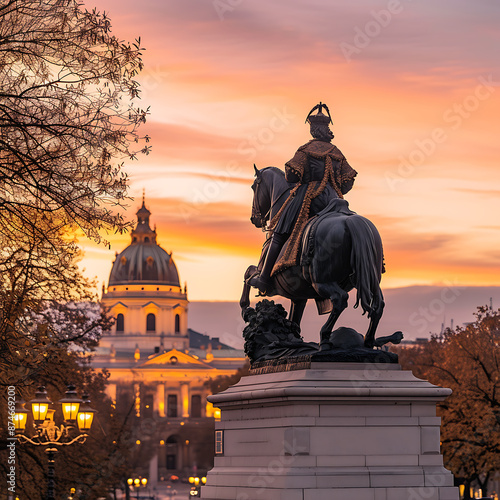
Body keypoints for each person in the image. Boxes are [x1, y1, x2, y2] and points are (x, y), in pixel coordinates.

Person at [247, 102, 357, 294]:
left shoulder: (306, 150)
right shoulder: (337, 153)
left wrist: (303, 178)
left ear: (314, 130)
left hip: (310, 197)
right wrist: (334, 185)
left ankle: (264, 278)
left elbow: (290, 176)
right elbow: (347, 182)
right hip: (333, 199)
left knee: (279, 232)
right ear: (327, 129)